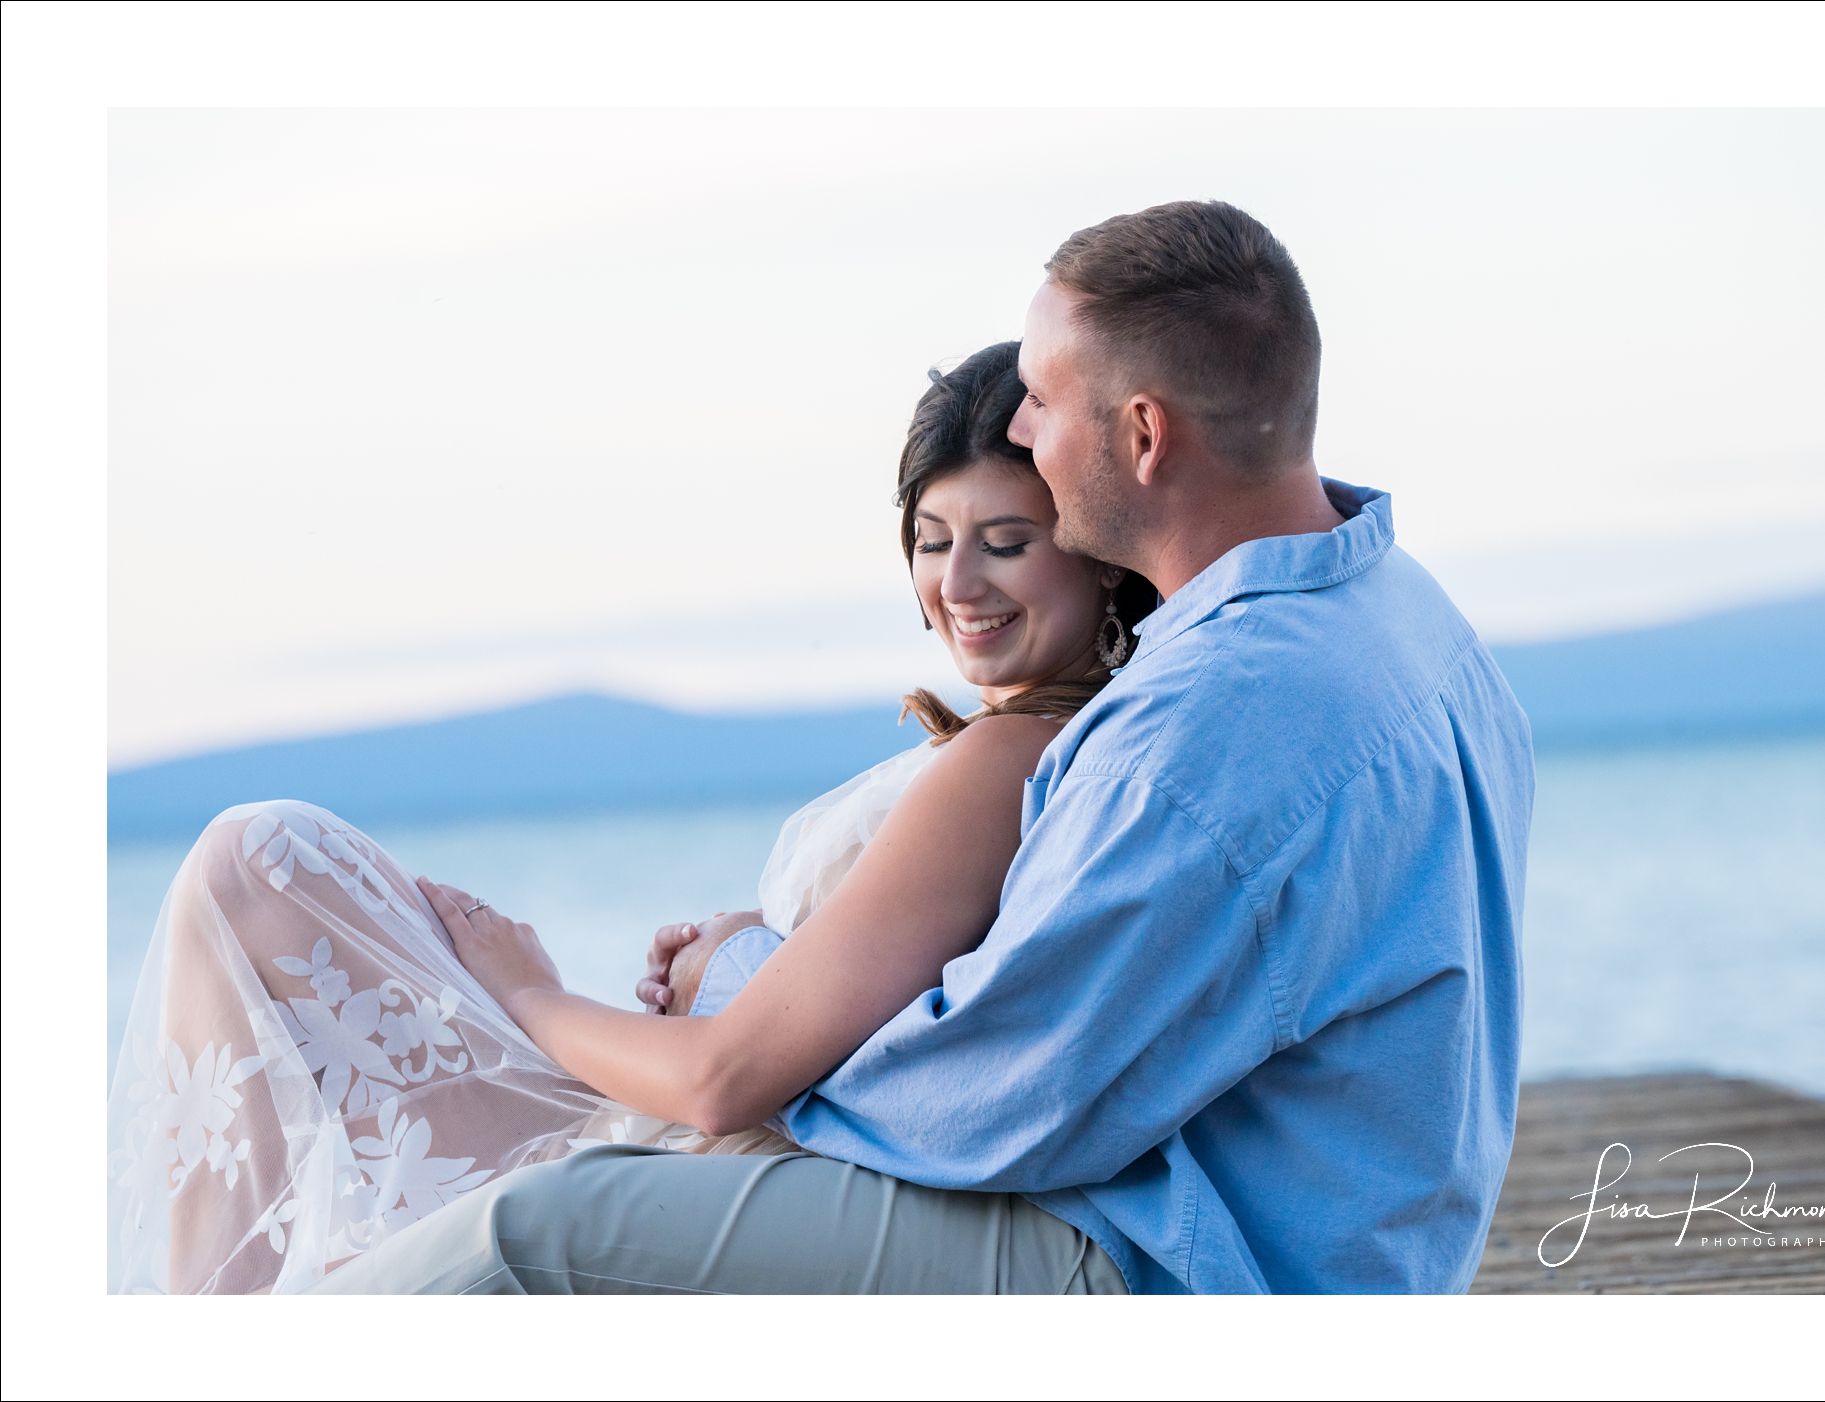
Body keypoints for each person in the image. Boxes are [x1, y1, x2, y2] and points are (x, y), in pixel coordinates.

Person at [108, 340, 1151, 1294]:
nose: (956, 583)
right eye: (930, 540)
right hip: (705, 1142)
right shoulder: (1013, 746)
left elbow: (725, 1080)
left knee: (257, 868)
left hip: (715, 1173)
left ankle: (200, 1329)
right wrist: (743, 959)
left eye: (1004, 544)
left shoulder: (1008, 757)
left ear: (1097, 548)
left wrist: (530, 992)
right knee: (255, 868)